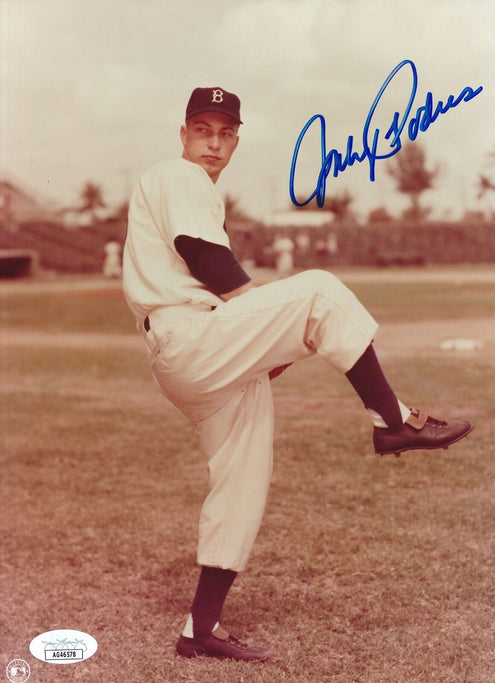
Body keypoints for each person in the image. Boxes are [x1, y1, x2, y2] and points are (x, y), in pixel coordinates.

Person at [122, 87, 472, 662]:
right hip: (189, 336)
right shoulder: (175, 176)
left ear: (236, 139)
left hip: (199, 349)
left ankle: (200, 630)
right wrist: (260, 326)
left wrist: (261, 344)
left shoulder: (197, 188)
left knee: (242, 483)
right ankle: (393, 421)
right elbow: (204, 256)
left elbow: (205, 263)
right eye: (202, 128)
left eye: (225, 132)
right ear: (183, 133)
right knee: (319, 291)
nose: (213, 141)